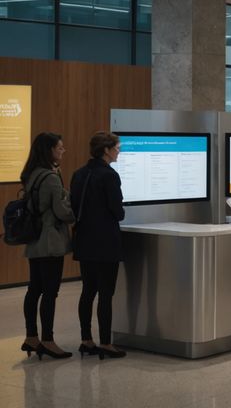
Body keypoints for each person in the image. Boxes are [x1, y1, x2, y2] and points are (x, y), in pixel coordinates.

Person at [70, 131, 127, 360]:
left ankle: (86, 340)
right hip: (105, 241)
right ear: (106, 150)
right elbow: (117, 210)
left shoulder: (79, 173)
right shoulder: (109, 176)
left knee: (88, 291)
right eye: (116, 147)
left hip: (84, 239)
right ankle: (105, 343)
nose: (118, 151)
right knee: (106, 294)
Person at [19, 132, 75, 360]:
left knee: (34, 289)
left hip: (35, 241)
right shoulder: (51, 177)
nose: (63, 151)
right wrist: (74, 208)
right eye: (60, 148)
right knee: (50, 292)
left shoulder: (31, 174)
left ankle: (31, 337)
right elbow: (62, 212)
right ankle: (48, 340)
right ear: (49, 150)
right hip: (51, 242)